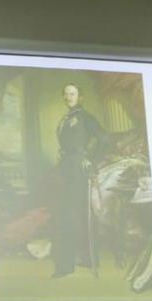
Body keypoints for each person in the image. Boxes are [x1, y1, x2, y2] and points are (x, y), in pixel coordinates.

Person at [52, 83, 105, 278]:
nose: (68, 97)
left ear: (80, 97)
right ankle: (90, 258)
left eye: (72, 94)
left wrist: (90, 158)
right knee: (78, 212)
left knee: (69, 214)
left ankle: (65, 266)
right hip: (66, 166)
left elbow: (103, 139)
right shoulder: (66, 118)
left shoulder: (86, 118)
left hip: (78, 169)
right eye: (66, 94)